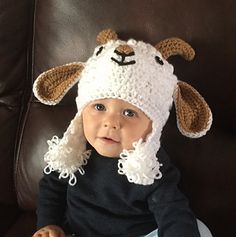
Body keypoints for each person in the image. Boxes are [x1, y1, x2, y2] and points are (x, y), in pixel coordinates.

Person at [32, 29, 213, 237]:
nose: (110, 123)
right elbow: (51, 190)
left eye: (129, 113)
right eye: (99, 107)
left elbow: (173, 211)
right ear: (81, 112)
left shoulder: (152, 166)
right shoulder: (72, 154)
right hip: (79, 232)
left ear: (153, 126)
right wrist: (49, 224)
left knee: (200, 230)